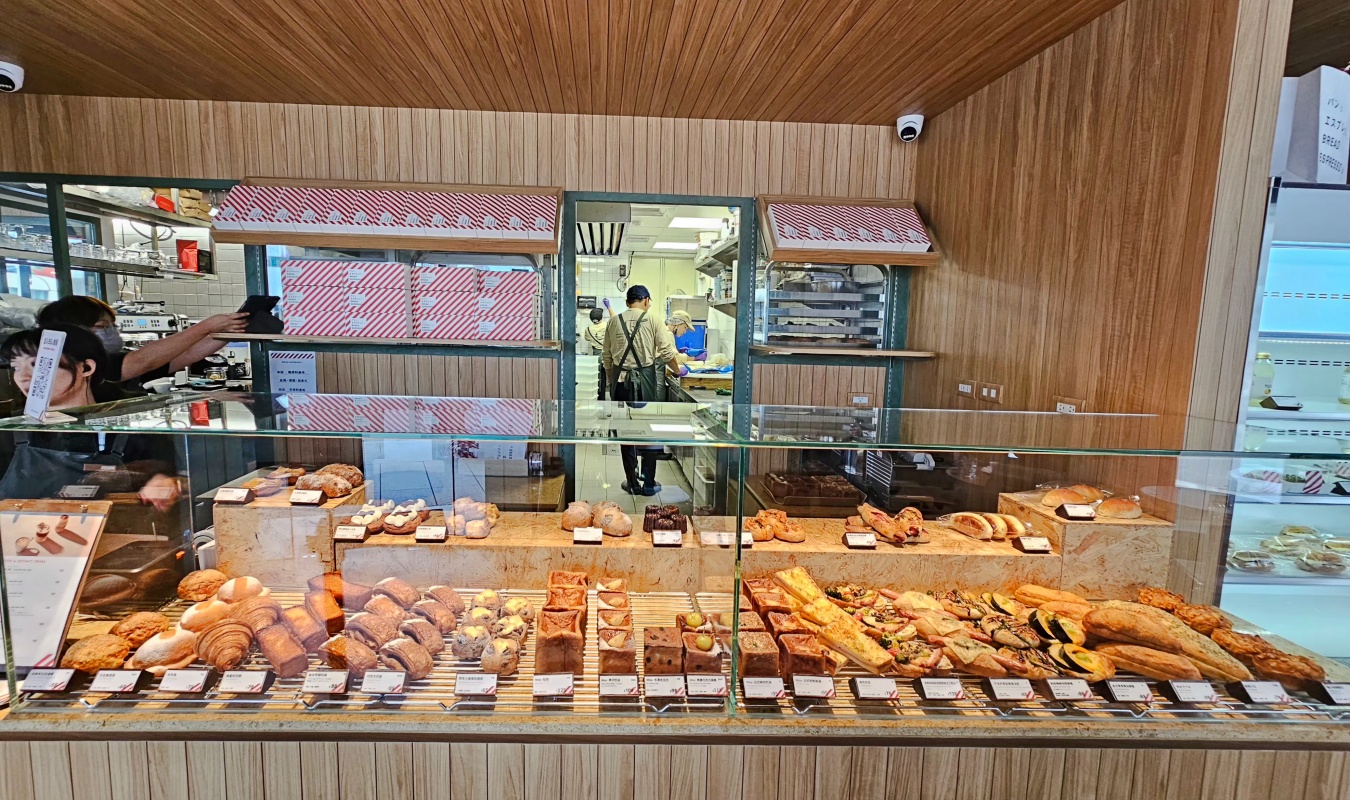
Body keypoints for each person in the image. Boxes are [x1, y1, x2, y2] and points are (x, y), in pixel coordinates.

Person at [0, 325, 181, 511]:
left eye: (37, 365)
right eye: (15, 367)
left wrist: (163, 481)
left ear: (86, 368)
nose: (23, 377)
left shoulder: (131, 426)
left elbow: (172, 473)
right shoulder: (8, 430)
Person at [36, 296, 247, 396]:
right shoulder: (78, 366)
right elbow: (144, 361)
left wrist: (235, 329)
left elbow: (187, 354)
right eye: (102, 327)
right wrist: (206, 326)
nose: (111, 332)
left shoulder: (118, 361)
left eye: (112, 326)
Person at [600, 285, 688, 496]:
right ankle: (648, 483)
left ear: (627, 302)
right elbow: (667, 352)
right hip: (646, 383)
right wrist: (678, 371)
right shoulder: (654, 320)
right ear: (646, 300)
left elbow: (606, 357)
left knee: (624, 432)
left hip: (620, 384)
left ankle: (632, 482)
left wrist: (612, 384)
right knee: (649, 430)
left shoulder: (613, 322)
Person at [582, 305, 612, 400]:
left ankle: (600, 398)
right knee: (611, 376)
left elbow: (587, 338)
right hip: (609, 353)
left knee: (599, 377)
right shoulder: (607, 325)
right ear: (601, 317)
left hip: (597, 355)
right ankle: (613, 396)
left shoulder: (588, 330)